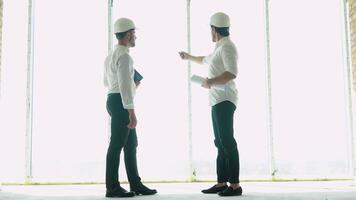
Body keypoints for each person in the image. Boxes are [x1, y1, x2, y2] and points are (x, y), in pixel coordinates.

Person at [179, 12, 242, 197]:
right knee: (220, 142)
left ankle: (235, 186)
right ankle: (222, 183)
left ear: (214, 29)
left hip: (225, 99)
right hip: (216, 99)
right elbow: (204, 60)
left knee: (227, 142)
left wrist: (211, 81)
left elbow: (232, 73)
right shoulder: (219, 47)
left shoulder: (227, 47)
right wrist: (188, 57)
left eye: (210, 29)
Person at [104, 17, 157, 198]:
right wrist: (132, 113)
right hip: (121, 103)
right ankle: (112, 188)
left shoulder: (111, 55)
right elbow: (126, 88)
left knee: (130, 144)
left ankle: (136, 184)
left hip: (113, 100)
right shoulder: (125, 57)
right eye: (134, 33)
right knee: (117, 145)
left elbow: (108, 82)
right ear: (127, 35)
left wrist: (131, 86)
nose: (135, 37)